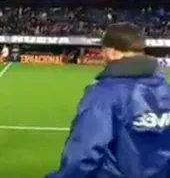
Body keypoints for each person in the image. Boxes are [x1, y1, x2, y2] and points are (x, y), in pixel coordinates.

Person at [47, 22, 170, 178]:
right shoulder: (165, 89)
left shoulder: (104, 94)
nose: (101, 55)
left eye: (103, 50)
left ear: (112, 52)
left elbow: (85, 153)